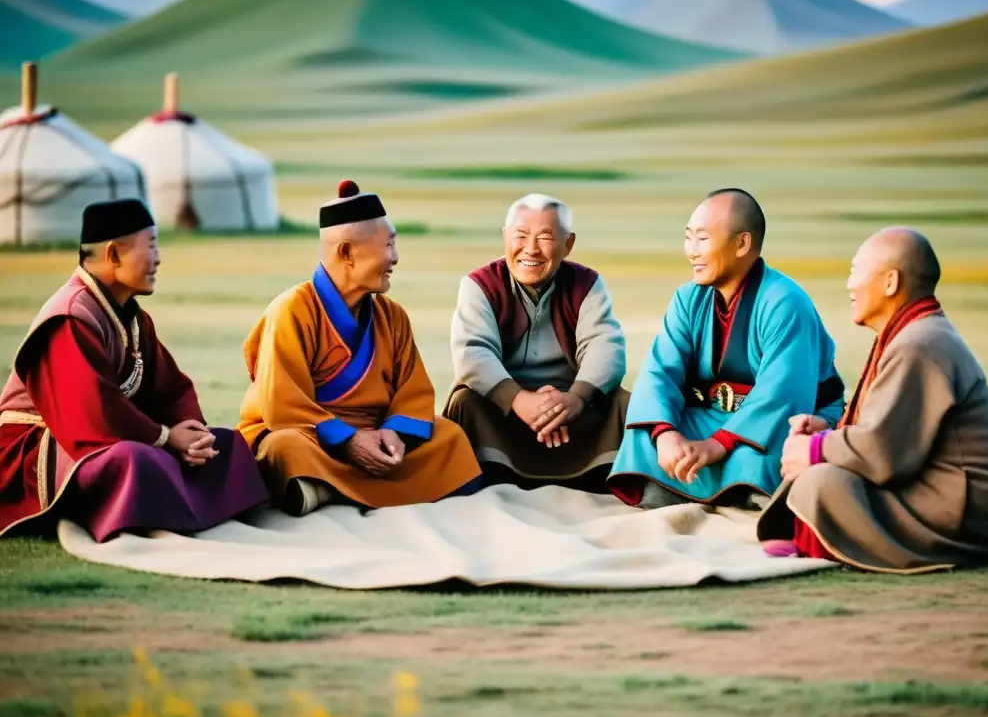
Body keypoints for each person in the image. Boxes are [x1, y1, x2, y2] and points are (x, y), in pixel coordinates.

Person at [0, 199, 268, 542]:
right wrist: (167, 438)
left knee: (225, 442)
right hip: (42, 448)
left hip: (118, 437)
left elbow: (171, 389)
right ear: (113, 255)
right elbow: (92, 412)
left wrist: (192, 436)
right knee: (136, 459)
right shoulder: (68, 318)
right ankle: (178, 511)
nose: (158, 259)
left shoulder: (132, 317)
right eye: (152, 245)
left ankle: (187, 509)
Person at [758, 228, 988, 572]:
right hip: (947, 499)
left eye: (856, 271)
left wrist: (814, 449)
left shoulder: (919, 343)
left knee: (820, 480)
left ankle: (815, 542)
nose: (849, 284)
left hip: (966, 518)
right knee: (821, 470)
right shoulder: (913, 334)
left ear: (890, 282)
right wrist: (826, 431)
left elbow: (885, 452)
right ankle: (812, 535)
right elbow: (891, 430)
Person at [238, 180, 483, 516]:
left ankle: (324, 491)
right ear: (347, 253)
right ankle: (360, 485)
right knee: (285, 448)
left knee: (449, 436)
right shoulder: (291, 310)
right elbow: (282, 404)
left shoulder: (392, 315)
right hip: (314, 437)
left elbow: (413, 392)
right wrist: (349, 441)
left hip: (378, 433)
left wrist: (394, 433)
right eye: (389, 245)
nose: (395, 257)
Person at [607, 188, 845, 508]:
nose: (691, 251)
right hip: (715, 415)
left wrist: (715, 446)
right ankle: (684, 487)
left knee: (758, 450)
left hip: (780, 419)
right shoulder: (687, 298)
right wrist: (665, 435)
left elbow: (783, 394)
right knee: (646, 432)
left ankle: (742, 492)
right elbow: (659, 372)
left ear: (742, 243)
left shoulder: (785, 302)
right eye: (688, 237)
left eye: (702, 239)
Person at [444, 193, 629, 492]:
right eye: (520, 236)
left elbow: (606, 349)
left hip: (570, 413)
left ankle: (613, 477)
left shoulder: (587, 284)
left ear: (568, 245)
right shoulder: (479, 285)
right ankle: (480, 476)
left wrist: (576, 399)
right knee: (465, 401)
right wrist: (518, 400)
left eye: (545, 237)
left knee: (623, 402)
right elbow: (473, 353)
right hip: (502, 412)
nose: (530, 249)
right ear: (505, 237)